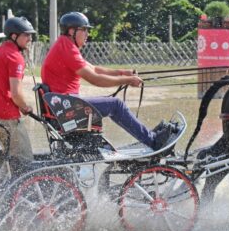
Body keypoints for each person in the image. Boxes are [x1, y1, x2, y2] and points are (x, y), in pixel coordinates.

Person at [41, 12, 175, 150]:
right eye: (84, 29)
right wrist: (128, 80)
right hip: (68, 109)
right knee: (115, 105)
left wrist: (122, 73)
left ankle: (150, 136)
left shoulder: (65, 45)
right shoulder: (68, 49)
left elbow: (94, 69)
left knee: (113, 105)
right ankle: (153, 141)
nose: (88, 34)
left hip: (64, 107)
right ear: (71, 31)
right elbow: (95, 79)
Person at [0, 16, 36, 190]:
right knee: (26, 162)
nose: (29, 39)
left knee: (8, 161)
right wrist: (25, 107)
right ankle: (21, 199)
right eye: (26, 35)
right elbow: (15, 93)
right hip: (7, 117)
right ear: (14, 36)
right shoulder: (14, 57)